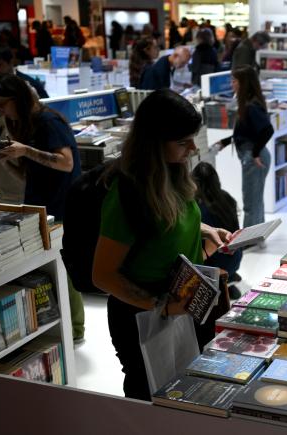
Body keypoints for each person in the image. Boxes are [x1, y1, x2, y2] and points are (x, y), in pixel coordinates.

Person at [92, 89, 235, 400]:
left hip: (183, 301)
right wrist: (162, 306)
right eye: (183, 142)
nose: (193, 148)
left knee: (189, 389)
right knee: (151, 398)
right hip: (144, 316)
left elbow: (169, 221)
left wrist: (205, 230)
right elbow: (102, 274)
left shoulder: (171, 173)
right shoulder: (127, 193)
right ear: (153, 142)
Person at [0, 74, 85, 341]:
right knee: (49, 265)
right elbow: (34, 174)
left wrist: (25, 151)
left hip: (61, 206)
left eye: (1, 104)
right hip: (41, 204)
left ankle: (74, 330)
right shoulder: (26, 124)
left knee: (62, 265)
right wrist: (10, 161)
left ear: (17, 99)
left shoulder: (47, 121)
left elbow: (66, 163)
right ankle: (62, 327)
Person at [191, 162, 243, 299]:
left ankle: (222, 283)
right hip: (235, 257)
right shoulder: (227, 198)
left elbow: (211, 246)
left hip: (216, 263)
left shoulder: (200, 208)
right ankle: (229, 279)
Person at [231, 65, 274, 229]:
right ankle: (257, 236)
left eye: (234, 81)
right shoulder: (250, 104)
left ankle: (249, 240)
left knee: (250, 202)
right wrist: (225, 142)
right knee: (255, 199)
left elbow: (268, 130)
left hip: (254, 158)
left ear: (243, 83)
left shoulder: (251, 106)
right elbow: (245, 132)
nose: (232, 84)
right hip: (254, 156)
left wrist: (255, 153)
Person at [0, 45, 48, 132]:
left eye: (0, 65)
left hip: (27, 132)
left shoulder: (29, 83)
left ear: (11, 62)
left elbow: (45, 109)